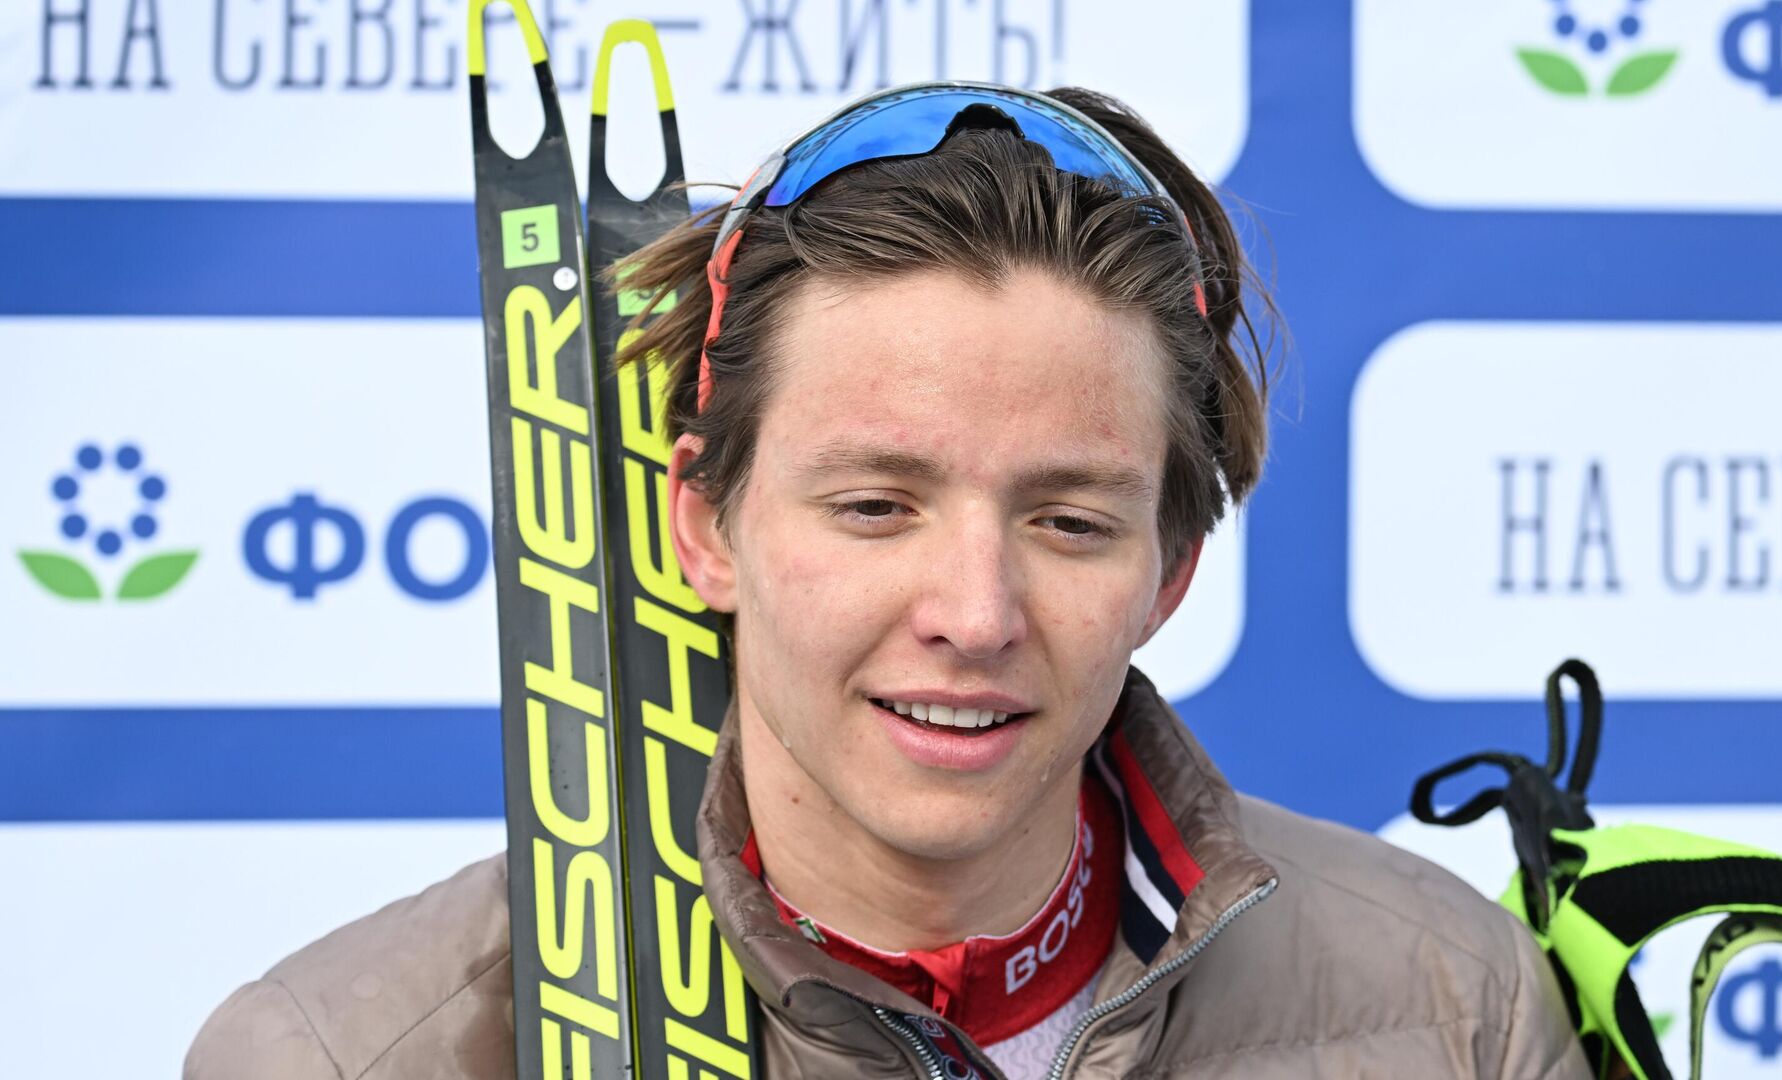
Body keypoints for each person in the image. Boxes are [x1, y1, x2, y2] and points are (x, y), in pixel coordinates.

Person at [187, 83, 1591, 1079]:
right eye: (875, 506)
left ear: (1169, 571)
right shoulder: (347, 1054)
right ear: (707, 526)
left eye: (1069, 522)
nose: (973, 615)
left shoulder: (1453, 1004)